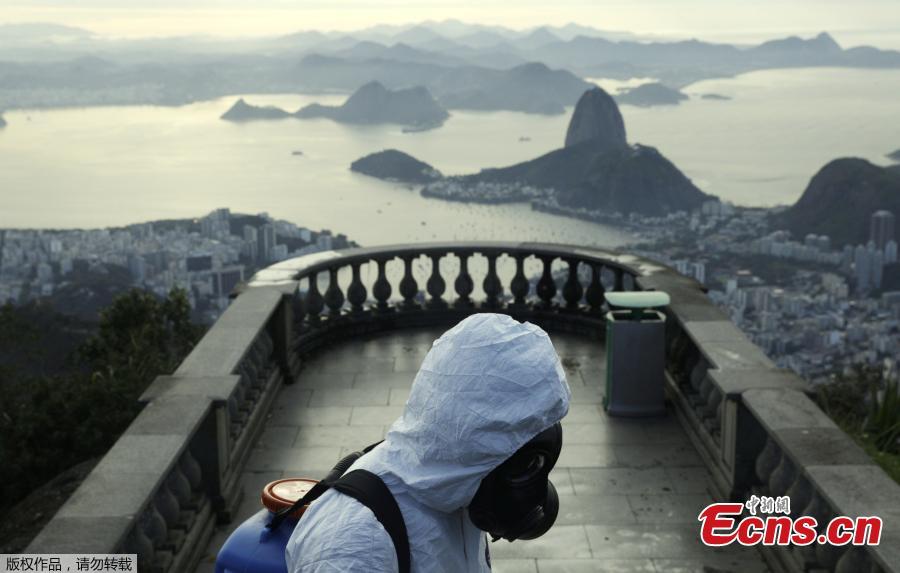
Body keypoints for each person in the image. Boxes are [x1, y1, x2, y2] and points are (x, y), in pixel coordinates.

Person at [285, 313, 571, 572]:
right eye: (527, 463)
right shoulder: (354, 546)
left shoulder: (463, 481)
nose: (530, 480)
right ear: (477, 437)